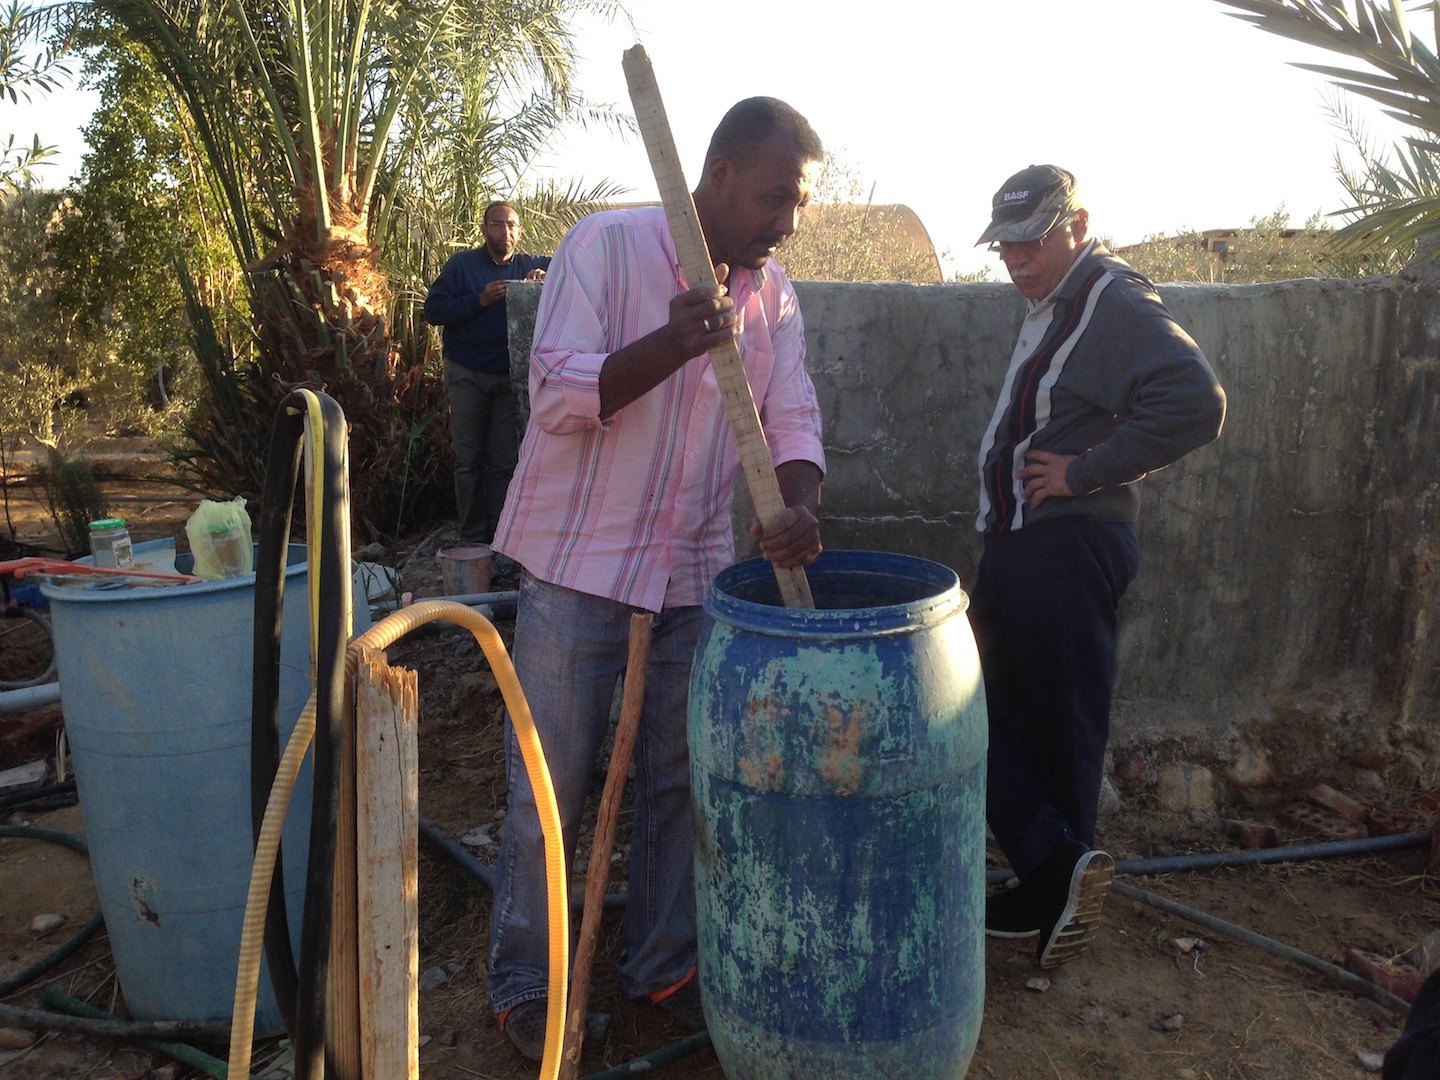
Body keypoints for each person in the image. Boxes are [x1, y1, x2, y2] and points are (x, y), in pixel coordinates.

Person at [486, 97, 827, 1061]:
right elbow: (556, 395)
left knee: (682, 780)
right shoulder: (605, 248)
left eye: (796, 204)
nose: (784, 222)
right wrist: (672, 342)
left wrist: (796, 505)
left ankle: (662, 965)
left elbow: (792, 417)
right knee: (547, 791)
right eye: (772, 198)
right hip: (574, 571)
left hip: (690, 576)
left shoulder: (774, 297)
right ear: (715, 173)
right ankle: (527, 985)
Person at [969, 165, 1226, 969]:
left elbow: (1196, 401)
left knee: (1053, 724)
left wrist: (1083, 472)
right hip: (1026, 543)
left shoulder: (1111, 299)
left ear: (1076, 225)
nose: (1016, 259)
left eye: (1032, 241)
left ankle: (1055, 889)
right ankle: (1051, 878)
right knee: (986, 713)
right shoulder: (1056, 304)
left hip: (1067, 542)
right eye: (1007, 246)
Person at [424, 202, 551, 550]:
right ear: (484, 229)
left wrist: (547, 279)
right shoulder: (462, 266)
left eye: (511, 225)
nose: (505, 232)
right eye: (497, 224)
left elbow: (575, 272)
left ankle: (500, 537)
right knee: (468, 460)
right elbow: (433, 310)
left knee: (505, 461)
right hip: (467, 373)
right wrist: (478, 300)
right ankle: (471, 538)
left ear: (520, 230)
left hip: (509, 379)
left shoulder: (532, 265)